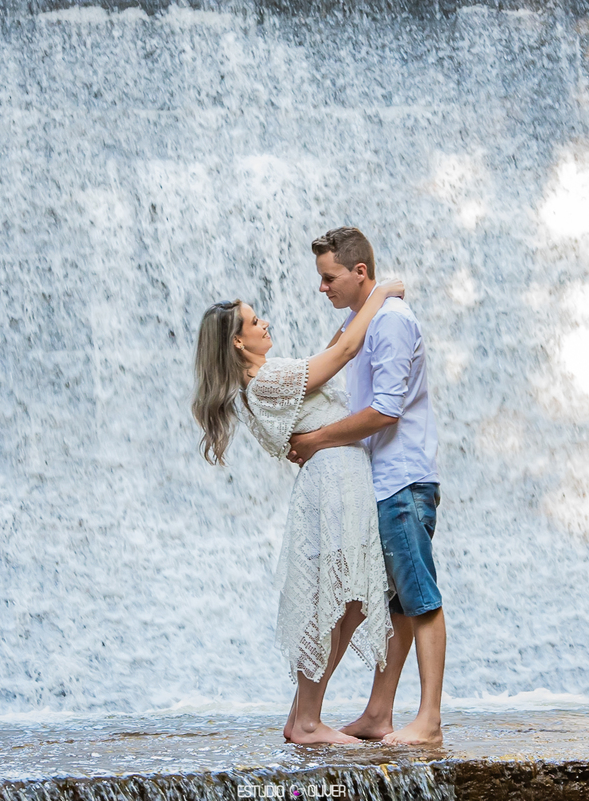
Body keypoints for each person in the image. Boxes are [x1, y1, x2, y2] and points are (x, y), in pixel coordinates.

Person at [191, 277, 405, 744]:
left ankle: (302, 718)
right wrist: (381, 293)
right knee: (343, 601)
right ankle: (308, 721)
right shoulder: (266, 378)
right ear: (237, 341)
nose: (263, 322)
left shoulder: (269, 376)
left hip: (335, 478)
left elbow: (332, 351)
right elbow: (346, 351)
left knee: (347, 601)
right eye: (253, 321)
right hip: (334, 483)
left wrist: (359, 311)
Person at [287, 227, 445, 747]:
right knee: (396, 603)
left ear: (359, 273)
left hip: (402, 483)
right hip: (381, 485)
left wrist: (317, 441)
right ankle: (379, 714)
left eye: (328, 278)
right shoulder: (365, 319)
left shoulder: (391, 323)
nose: (322, 288)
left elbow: (385, 410)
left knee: (419, 598)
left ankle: (428, 720)